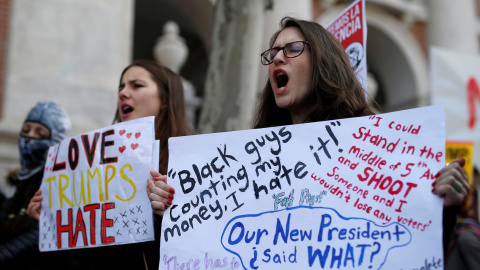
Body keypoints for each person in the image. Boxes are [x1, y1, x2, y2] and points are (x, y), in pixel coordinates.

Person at [146, 17, 470, 253]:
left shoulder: (373, 140)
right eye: (272, 53)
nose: (277, 58)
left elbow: (413, 246)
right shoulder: (251, 156)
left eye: (292, 49)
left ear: (324, 63)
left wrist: (443, 205)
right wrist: (170, 215)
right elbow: (206, 247)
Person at [27, 60, 191, 269]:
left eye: (136, 85)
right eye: (121, 87)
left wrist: (172, 212)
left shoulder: (191, 165)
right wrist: (50, 223)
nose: (123, 93)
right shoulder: (96, 164)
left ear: (166, 99)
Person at [0, 101, 76, 269]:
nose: (29, 138)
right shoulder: (16, 189)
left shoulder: (61, 189)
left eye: (40, 134)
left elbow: (38, 236)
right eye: (26, 130)